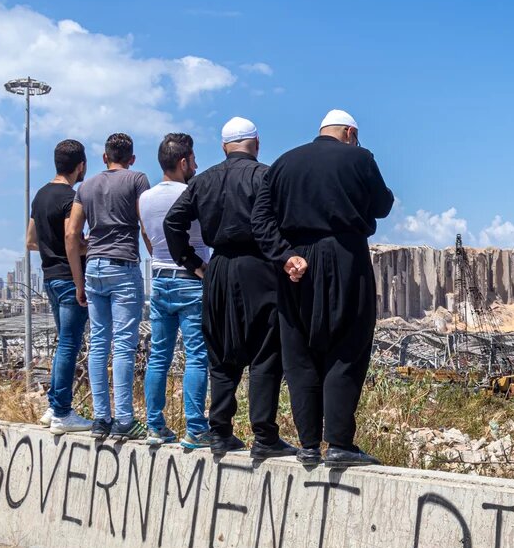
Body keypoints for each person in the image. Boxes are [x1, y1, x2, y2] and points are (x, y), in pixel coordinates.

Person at [251, 109, 394, 467]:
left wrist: (283, 256)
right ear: (349, 132)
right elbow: (383, 205)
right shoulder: (360, 157)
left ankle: (309, 445)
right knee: (348, 345)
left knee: (300, 352)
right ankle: (341, 443)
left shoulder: (283, 163)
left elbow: (260, 219)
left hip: (296, 264)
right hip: (346, 257)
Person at [164, 117, 300, 459]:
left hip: (218, 269)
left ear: (224, 147)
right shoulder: (267, 175)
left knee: (221, 353)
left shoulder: (203, 180)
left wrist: (191, 261)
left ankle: (220, 431)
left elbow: (172, 222)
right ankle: (265, 435)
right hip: (260, 268)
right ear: (255, 143)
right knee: (266, 352)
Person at [65, 133, 150, 442]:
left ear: (104, 157)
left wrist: (78, 281)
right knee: (124, 345)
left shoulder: (85, 187)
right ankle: (125, 420)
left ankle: (101, 418)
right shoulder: (137, 179)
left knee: (99, 343)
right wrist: (156, 256)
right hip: (124, 265)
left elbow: (72, 234)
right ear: (132, 158)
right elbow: (145, 223)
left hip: (94, 268)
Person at [139, 133, 210, 449]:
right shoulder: (194, 192)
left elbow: (149, 240)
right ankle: (195, 429)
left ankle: (155, 425)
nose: (196, 165)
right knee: (197, 355)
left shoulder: (145, 199)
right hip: (191, 279)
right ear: (184, 162)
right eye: (193, 159)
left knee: (159, 357)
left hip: (160, 280)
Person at [28, 139, 92, 434]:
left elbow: (30, 241)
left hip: (50, 278)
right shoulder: (71, 197)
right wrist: (88, 247)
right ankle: (63, 413)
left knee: (63, 343)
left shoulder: (40, 196)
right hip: (69, 279)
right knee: (69, 344)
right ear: (80, 166)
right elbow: (72, 238)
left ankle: (54, 407)